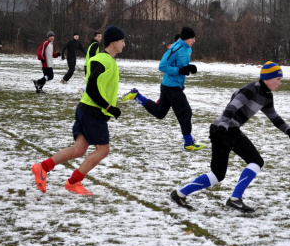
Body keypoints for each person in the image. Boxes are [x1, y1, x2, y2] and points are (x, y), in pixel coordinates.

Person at [169, 61, 290, 212]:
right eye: (278, 79)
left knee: (217, 174)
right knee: (256, 161)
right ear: (268, 78)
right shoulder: (251, 89)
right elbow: (232, 107)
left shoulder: (267, 96)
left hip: (220, 129)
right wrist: (223, 126)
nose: (280, 83)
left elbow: (275, 118)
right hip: (225, 129)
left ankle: (179, 193)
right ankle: (235, 199)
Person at [31, 25, 125, 196]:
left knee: (79, 149)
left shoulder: (105, 59)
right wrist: (109, 107)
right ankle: (74, 182)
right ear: (113, 42)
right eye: (122, 41)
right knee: (103, 150)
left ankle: (42, 167)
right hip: (93, 113)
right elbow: (90, 87)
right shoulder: (105, 61)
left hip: (84, 109)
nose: (124, 44)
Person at [121, 27, 204, 151]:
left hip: (171, 85)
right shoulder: (176, 48)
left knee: (160, 113)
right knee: (185, 112)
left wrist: (189, 68)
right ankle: (188, 142)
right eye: (192, 38)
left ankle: (136, 96)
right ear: (187, 38)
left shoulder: (187, 49)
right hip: (171, 87)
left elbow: (180, 65)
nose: (194, 41)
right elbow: (162, 66)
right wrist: (180, 71)